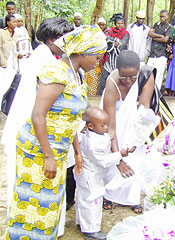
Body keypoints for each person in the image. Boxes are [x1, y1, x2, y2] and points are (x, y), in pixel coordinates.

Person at [5, 25, 107, 239]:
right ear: (84, 52)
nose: (97, 63)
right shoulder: (56, 71)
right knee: (31, 209)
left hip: (57, 152)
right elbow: (38, 115)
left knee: (50, 207)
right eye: (96, 58)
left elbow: (72, 119)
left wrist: (77, 152)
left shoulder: (76, 76)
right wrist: (48, 157)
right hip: (37, 152)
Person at [1, 17, 74, 238]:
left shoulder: (46, 55)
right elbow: (38, 110)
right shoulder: (46, 62)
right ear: (53, 39)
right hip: (30, 132)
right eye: (66, 38)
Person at [101, 50, 158, 214]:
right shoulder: (112, 85)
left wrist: (136, 140)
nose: (128, 81)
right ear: (117, 71)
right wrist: (117, 160)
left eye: (132, 77)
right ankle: (109, 194)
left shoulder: (146, 74)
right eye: (124, 76)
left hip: (136, 117)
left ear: (138, 72)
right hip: (114, 118)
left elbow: (143, 111)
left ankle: (132, 197)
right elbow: (110, 128)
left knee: (135, 154)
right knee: (111, 148)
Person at [74, 106, 131, 240]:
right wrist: (119, 154)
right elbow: (103, 161)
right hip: (91, 177)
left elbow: (102, 139)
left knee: (83, 200)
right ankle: (91, 230)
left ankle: (81, 222)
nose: (106, 128)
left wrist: (107, 137)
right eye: (103, 125)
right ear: (91, 126)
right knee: (93, 202)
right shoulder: (92, 143)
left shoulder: (92, 134)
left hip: (87, 175)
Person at [98, 13, 129, 95]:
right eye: (118, 23)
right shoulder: (109, 31)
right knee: (104, 78)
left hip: (119, 61)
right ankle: (101, 95)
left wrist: (116, 42)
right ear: (115, 23)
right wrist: (114, 42)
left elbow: (123, 44)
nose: (120, 25)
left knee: (119, 79)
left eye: (122, 23)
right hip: (109, 60)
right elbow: (105, 39)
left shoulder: (126, 33)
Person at [148, 9, 173, 91]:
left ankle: (156, 93)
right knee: (148, 74)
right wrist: (160, 36)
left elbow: (166, 40)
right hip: (152, 54)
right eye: (161, 17)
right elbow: (149, 33)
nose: (162, 18)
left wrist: (155, 37)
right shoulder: (156, 24)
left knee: (158, 76)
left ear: (168, 17)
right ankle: (148, 92)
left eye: (164, 17)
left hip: (161, 54)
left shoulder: (169, 27)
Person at [84, 17, 107, 96]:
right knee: (92, 79)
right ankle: (91, 96)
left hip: (104, 62)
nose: (101, 27)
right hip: (93, 60)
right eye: (100, 25)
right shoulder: (92, 35)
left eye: (103, 25)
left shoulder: (107, 35)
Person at [0, 14, 20, 100]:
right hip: (3, 63)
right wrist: (3, 62)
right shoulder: (2, 33)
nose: (16, 24)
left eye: (16, 22)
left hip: (13, 65)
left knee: (7, 87)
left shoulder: (16, 35)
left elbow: (17, 49)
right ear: (8, 23)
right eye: (14, 22)